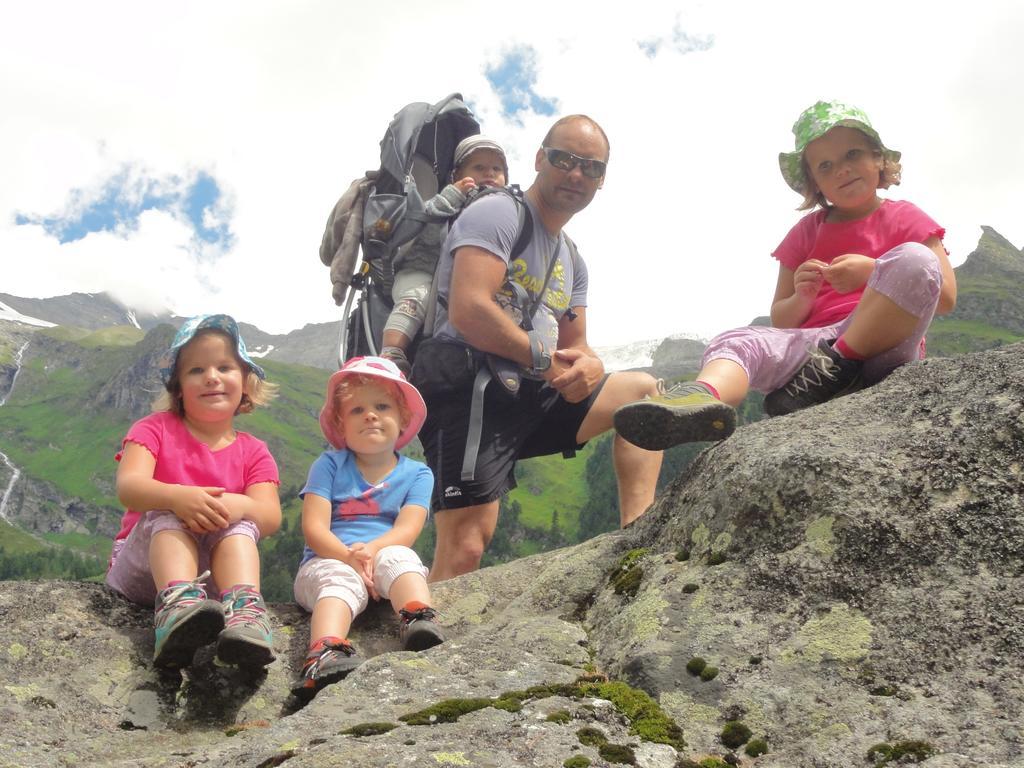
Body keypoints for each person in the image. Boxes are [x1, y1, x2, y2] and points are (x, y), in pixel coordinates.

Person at [614, 100, 957, 451]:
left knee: (916, 259)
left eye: (852, 154)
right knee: (738, 340)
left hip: (885, 347)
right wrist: (803, 297)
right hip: (815, 352)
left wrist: (871, 272)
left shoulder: (907, 217)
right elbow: (781, 318)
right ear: (815, 183)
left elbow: (944, 296)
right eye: (826, 166)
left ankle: (840, 364)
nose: (842, 169)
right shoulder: (805, 233)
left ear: (878, 159)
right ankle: (702, 398)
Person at [412, 114, 664, 582]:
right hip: (470, 388)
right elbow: (469, 311)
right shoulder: (497, 214)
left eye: (590, 167)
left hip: (530, 388)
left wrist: (590, 367)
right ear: (539, 160)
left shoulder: (573, 258)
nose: (576, 174)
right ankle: (422, 640)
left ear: (601, 179)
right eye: (564, 159)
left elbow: (578, 345)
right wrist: (549, 362)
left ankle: (638, 536)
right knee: (466, 546)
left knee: (642, 391)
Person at [106, 314, 281, 669]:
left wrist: (240, 503)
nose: (211, 377)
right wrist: (177, 497)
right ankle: (175, 609)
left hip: (213, 581)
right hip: (143, 571)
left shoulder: (255, 451)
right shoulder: (153, 429)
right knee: (169, 509)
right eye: (196, 370)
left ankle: (245, 615)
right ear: (178, 388)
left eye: (224, 367)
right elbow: (130, 487)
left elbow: (270, 516)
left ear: (245, 382)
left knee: (241, 523)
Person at [292, 356, 443, 700]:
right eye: (357, 410)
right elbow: (314, 529)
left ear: (403, 419)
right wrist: (347, 556)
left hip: (379, 555)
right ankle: (324, 650)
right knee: (338, 581)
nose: (370, 415)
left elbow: (408, 528)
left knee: (401, 556)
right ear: (340, 424)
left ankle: (418, 616)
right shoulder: (328, 464)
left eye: (381, 406)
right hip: (326, 559)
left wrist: (371, 552)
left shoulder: (418, 474)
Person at [380, 135, 509, 375]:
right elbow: (423, 218)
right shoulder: (449, 198)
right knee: (418, 297)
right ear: (456, 176)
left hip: (462, 283)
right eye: (478, 168)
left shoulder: (505, 212)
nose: (489, 173)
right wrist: (453, 196)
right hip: (423, 270)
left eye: (496, 169)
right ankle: (392, 351)